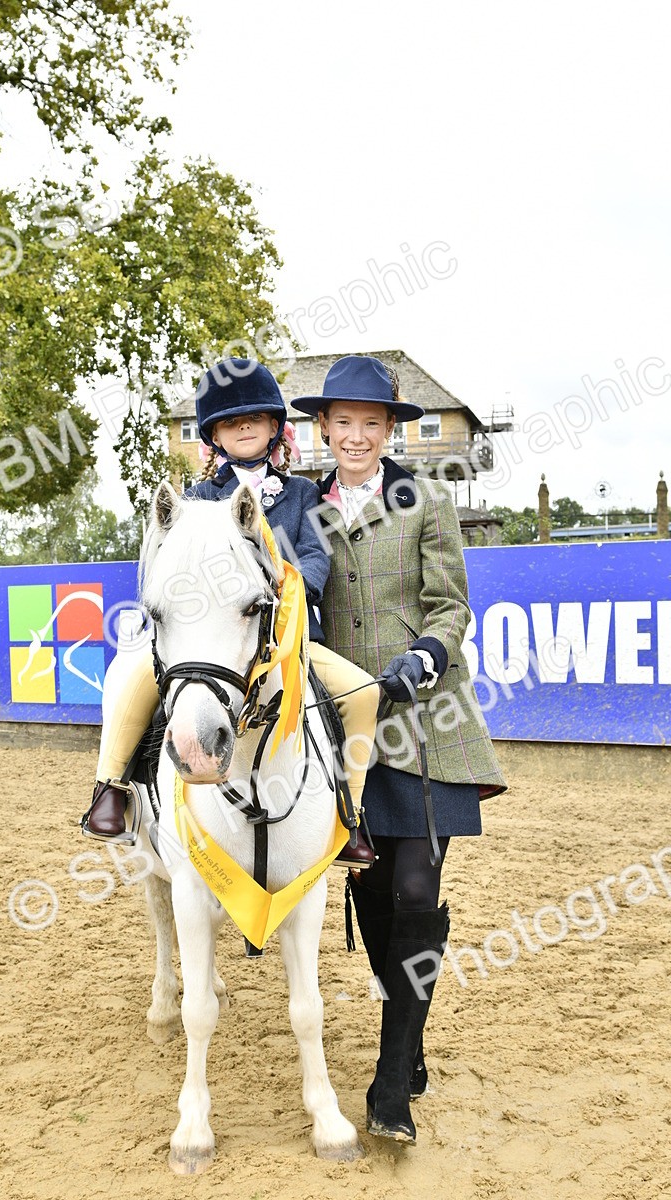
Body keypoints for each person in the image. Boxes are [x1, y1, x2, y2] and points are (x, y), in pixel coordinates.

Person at [291, 354, 507, 1144]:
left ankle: (390, 1087)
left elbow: (451, 604)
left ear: (390, 432)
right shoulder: (301, 509)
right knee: (377, 902)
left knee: (418, 890)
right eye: (341, 423)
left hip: (425, 718)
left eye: (370, 424)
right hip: (346, 727)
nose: (355, 435)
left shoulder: (426, 499)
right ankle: (405, 1036)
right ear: (324, 429)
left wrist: (424, 655)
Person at [81, 357, 380, 870]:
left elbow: (315, 558)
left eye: (255, 418)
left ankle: (350, 815)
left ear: (273, 428)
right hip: (212, 645)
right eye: (230, 420)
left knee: (363, 694)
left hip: (286, 642)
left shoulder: (304, 495)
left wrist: (274, 586)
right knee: (130, 672)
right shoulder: (195, 500)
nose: (244, 426)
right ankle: (112, 790)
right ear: (214, 434)